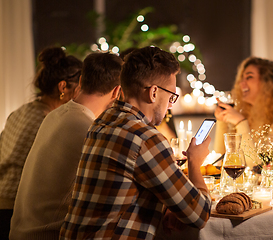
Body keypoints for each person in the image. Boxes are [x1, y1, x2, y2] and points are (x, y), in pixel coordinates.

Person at [60, 46, 212, 239]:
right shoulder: (145, 138)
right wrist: (194, 161)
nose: (171, 104)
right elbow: (200, 214)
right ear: (154, 92)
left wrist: (167, 207)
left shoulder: (103, 120)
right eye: (171, 96)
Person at [9, 52, 123, 240]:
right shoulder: (88, 129)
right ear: (117, 91)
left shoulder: (56, 114)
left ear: (81, 80)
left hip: (19, 231)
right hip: (44, 235)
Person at [0, 47, 82, 239]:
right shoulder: (50, 120)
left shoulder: (20, 111)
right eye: (80, 87)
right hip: (17, 207)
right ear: (63, 87)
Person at [214, 57, 273, 167]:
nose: (241, 84)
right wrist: (222, 121)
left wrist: (241, 122)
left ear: (268, 83)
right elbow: (221, 159)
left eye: (249, 77)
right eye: (241, 78)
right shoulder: (250, 115)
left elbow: (257, 166)